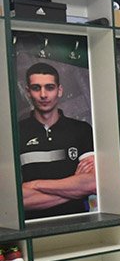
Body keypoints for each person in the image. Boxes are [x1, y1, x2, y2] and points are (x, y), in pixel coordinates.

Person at [18, 62, 96, 219]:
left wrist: (35, 185)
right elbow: (17, 198)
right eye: (36, 88)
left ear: (59, 90)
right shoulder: (16, 133)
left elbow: (91, 183)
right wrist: (75, 188)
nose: (43, 95)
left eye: (49, 87)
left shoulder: (81, 130)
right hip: (32, 226)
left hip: (79, 223)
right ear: (28, 92)